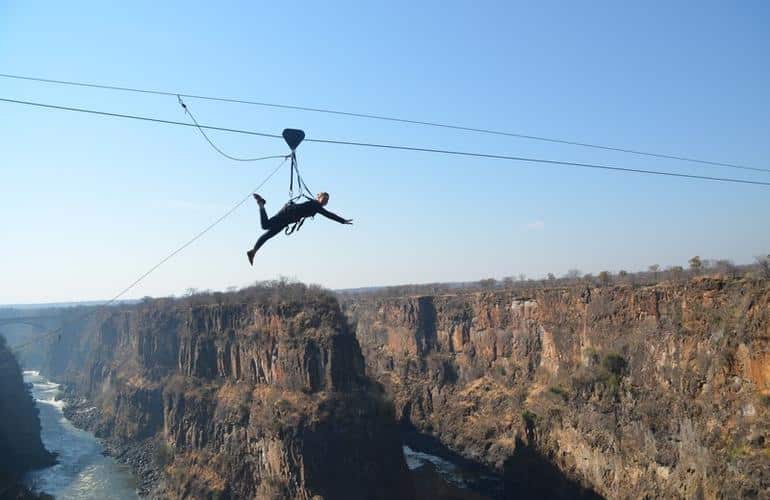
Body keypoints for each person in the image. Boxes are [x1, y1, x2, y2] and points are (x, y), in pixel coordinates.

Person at [247, 191, 353, 265]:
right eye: (324, 199)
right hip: (287, 213)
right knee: (265, 226)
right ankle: (261, 204)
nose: (325, 201)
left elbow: (328, 214)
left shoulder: (317, 207)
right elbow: (329, 215)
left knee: (267, 234)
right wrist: (342, 221)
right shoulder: (315, 205)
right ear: (318, 198)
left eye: (327, 200)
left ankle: (253, 252)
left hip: (287, 219)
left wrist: (343, 221)